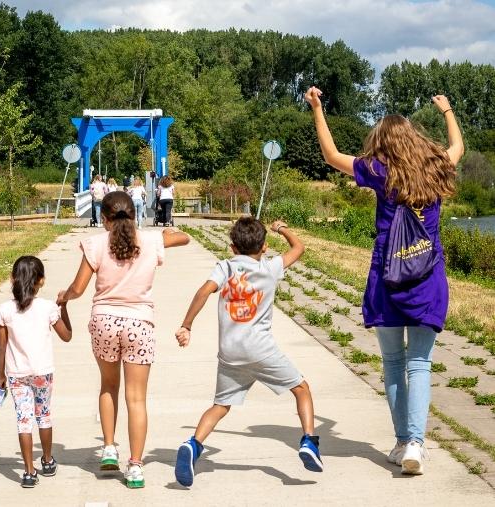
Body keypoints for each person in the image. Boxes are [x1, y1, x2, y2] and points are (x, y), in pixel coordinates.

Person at [305, 86, 463, 475]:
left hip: (388, 275)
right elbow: (457, 144)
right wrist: (447, 110)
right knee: (420, 363)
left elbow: (330, 156)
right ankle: (415, 444)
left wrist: (317, 108)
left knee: (394, 362)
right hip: (428, 277)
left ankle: (401, 442)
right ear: (413, 138)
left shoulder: (379, 170)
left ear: (382, 143)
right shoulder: (438, 164)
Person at [173, 217, 323, 487]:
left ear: (232, 247)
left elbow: (204, 291)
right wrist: (282, 228)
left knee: (220, 406)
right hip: (261, 350)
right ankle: (309, 441)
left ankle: (193, 444)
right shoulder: (270, 268)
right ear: (264, 247)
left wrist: (187, 325)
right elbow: (299, 248)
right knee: (301, 388)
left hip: (230, 353)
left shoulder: (225, 268)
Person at [58, 191, 189, 489]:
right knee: (137, 398)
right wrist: (165, 232)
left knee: (108, 385)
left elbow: (78, 289)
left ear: (104, 219)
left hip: (104, 321)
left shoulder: (95, 244)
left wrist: (64, 296)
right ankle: (135, 467)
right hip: (139, 325)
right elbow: (184, 238)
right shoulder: (150, 240)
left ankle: (108, 448)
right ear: (135, 216)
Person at [0, 255, 72, 488]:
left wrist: (0, 376)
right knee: (44, 415)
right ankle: (47, 461)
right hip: (43, 372)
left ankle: (28, 473)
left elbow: (1, 346)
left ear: (12, 279)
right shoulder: (48, 307)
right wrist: (63, 307)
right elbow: (67, 336)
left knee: (24, 421)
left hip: (16, 374)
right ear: (42, 281)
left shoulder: (5, 310)